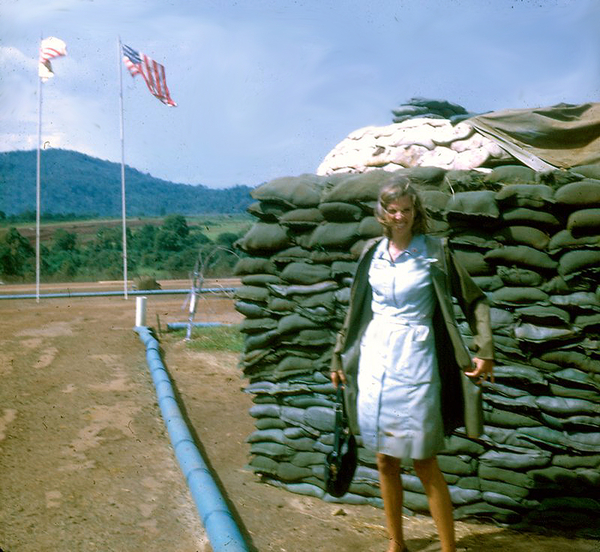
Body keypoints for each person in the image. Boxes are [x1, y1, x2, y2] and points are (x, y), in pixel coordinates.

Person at [330, 174, 494, 552]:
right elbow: (356, 311)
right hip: (375, 359)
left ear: (415, 211)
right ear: (382, 213)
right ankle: (396, 543)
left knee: (423, 458)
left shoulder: (435, 251)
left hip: (417, 359)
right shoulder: (372, 253)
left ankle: (449, 547)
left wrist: (483, 349)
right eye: (393, 210)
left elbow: (475, 300)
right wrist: (340, 356)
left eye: (406, 210)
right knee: (385, 459)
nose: (400, 216)